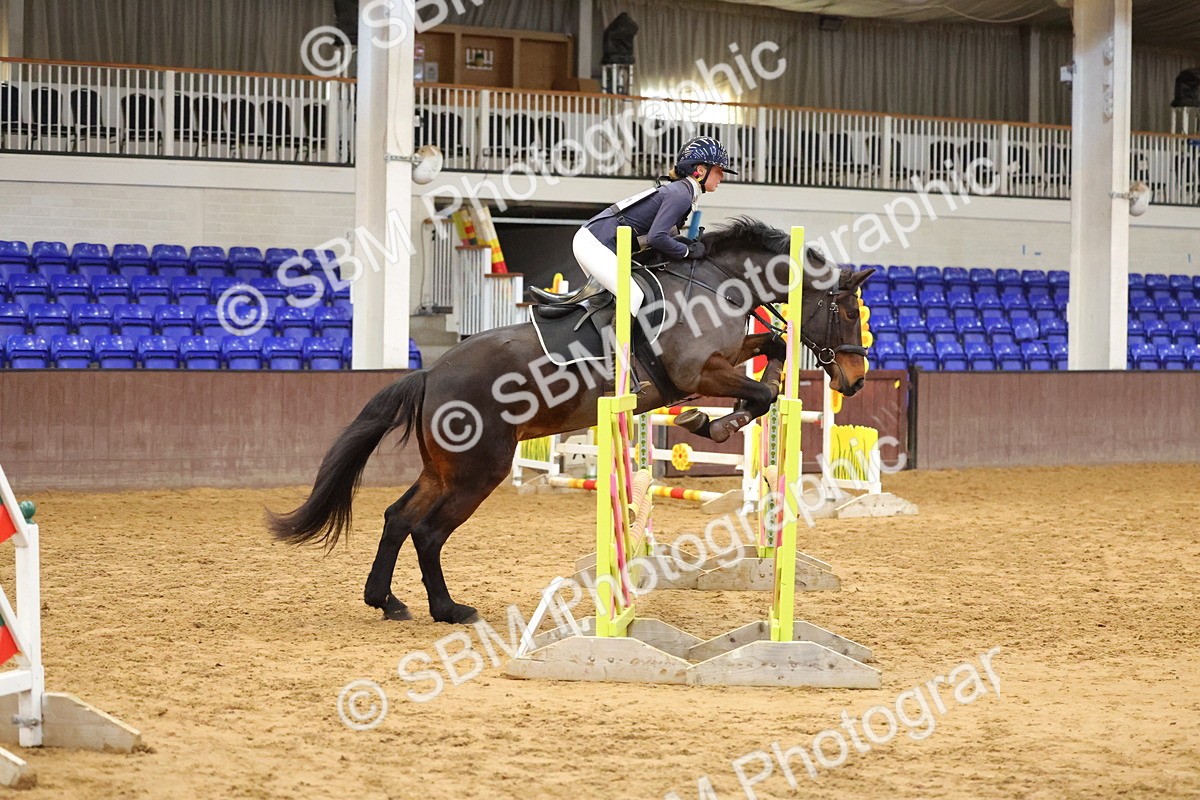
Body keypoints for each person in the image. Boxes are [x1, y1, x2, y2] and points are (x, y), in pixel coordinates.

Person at [570, 135, 734, 317]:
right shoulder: (681, 194)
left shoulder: (683, 190)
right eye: (719, 170)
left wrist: (683, 243)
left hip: (599, 241)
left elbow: (659, 236)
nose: (723, 176)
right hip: (596, 243)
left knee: (612, 300)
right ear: (701, 170)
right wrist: (686, 251)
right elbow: (657, 237)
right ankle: (617, 346)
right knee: (633, 297)